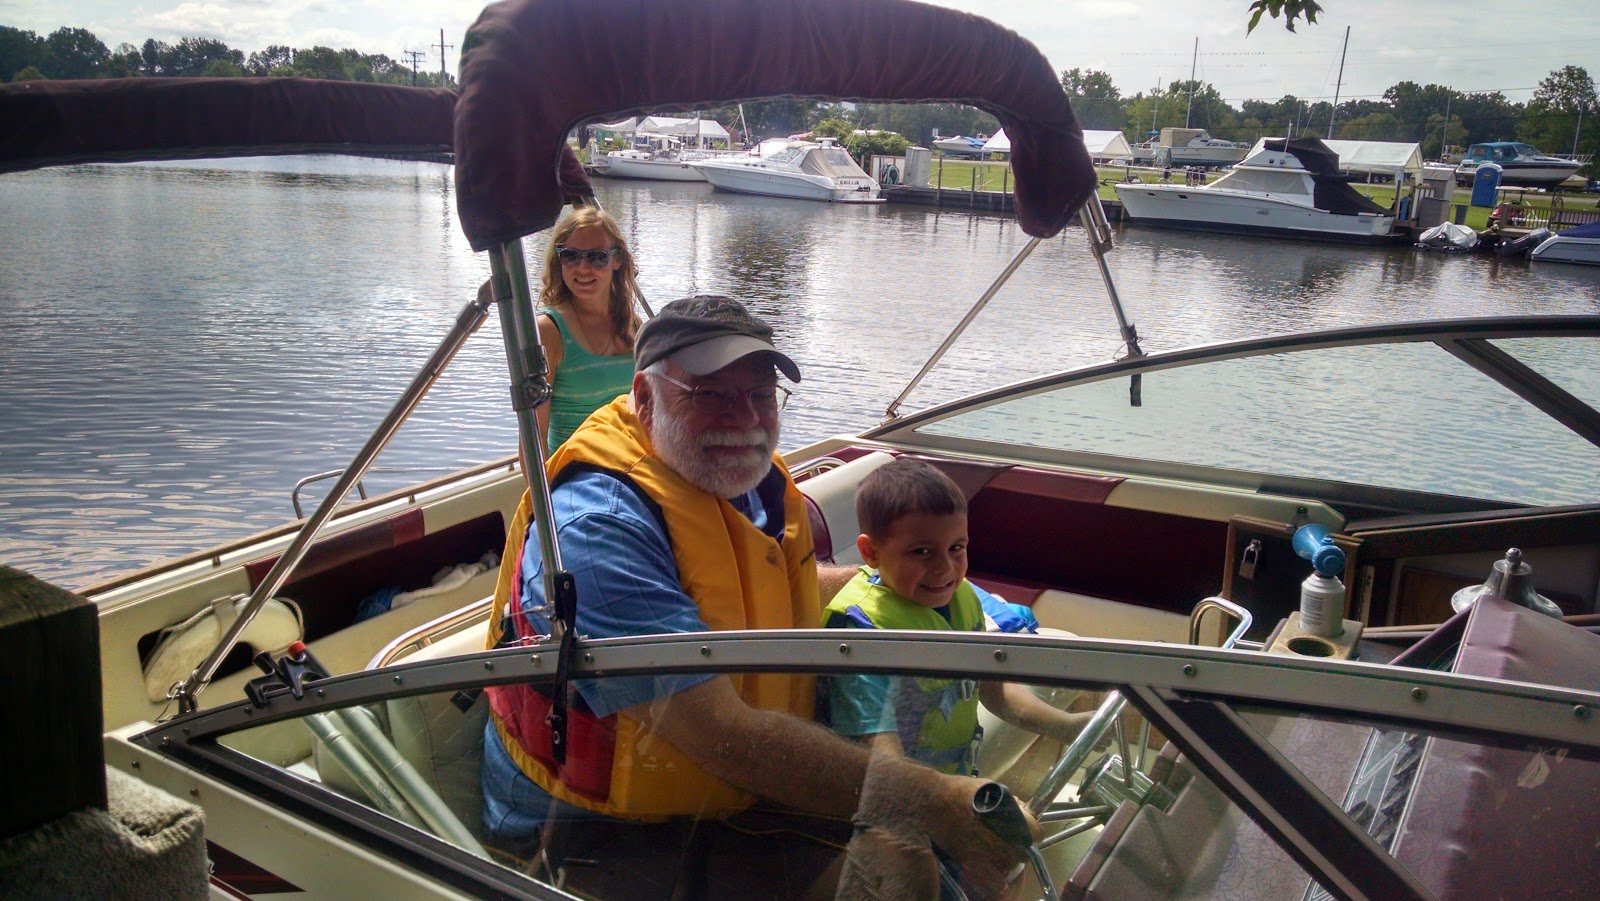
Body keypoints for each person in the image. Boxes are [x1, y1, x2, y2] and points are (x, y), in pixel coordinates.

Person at [480, 296, 1032, 899]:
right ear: (644, 397)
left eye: (761, 395)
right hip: (590, 828)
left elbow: (776, 591)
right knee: (903, 875)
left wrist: (946, 593)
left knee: (932, 869)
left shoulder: (722, 473)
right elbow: (720, 734)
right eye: (710, 394)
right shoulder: (598, 527)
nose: (743, 417)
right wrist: (934, 799)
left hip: (720, 791)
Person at [825, 459, 1094, 776]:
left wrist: (1066, 727)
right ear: (870, 553)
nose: (945, 568)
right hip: (901, 796)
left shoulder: (961, 597)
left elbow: (992, 690)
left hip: (954, 775)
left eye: (956, 548)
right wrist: (950, 798)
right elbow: (880, 756)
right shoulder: (863, 632)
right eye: (922, 552)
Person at [478, 205, 642, 451]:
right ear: (559, 261)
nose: (583, 268)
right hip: (575, 479)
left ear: (617, 260)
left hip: (632, 471)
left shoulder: (633, 324)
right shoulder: (548, 331)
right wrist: (547, 490)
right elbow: (533, 439)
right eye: (571, 256)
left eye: (597, 257)